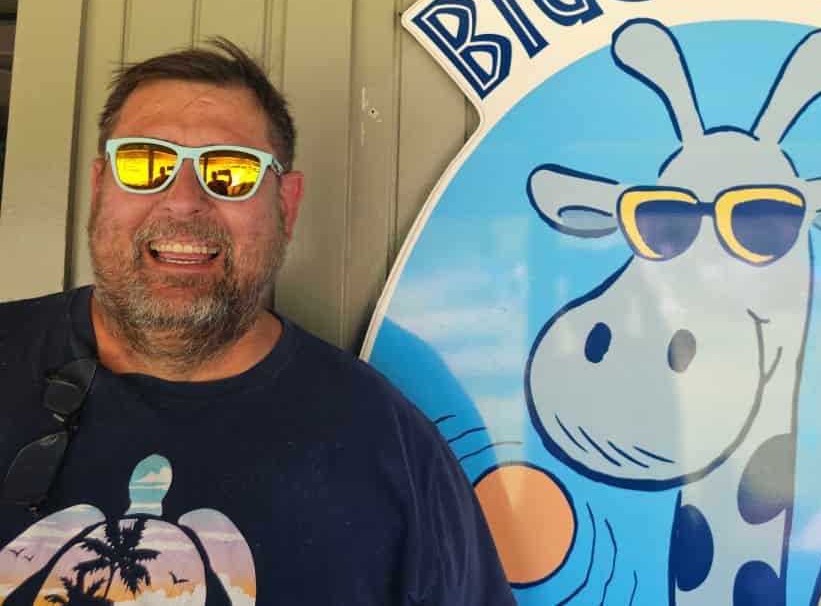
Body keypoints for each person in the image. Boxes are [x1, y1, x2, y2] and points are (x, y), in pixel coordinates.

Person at [0, 39, 516, 605]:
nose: (183, 199)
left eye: (230, 172)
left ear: (286, 205)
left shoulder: (389, 448)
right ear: (101, 186)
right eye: (145, 162)